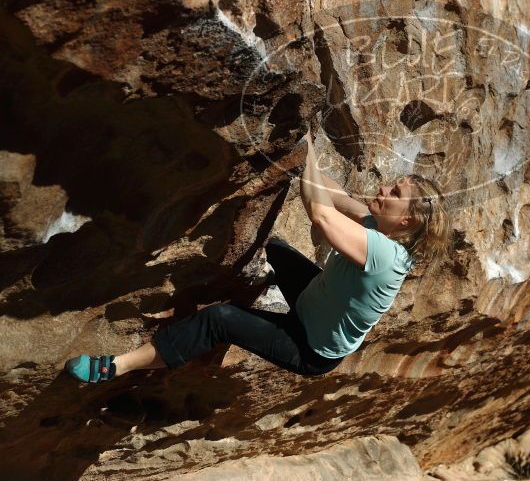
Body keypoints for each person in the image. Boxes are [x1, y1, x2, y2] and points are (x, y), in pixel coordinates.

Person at [64, 131, 451, 383]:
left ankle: (117, 366)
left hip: (309, 347)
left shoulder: (384, 254)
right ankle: (255, 288)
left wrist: (306, 147)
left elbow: (319, 212)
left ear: (406, 219)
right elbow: (334, 196)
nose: (384, 187)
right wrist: (309, 157)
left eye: (394, 193)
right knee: (277, 248)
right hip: (314, 300)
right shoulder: (382, 231)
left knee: (220, 318)